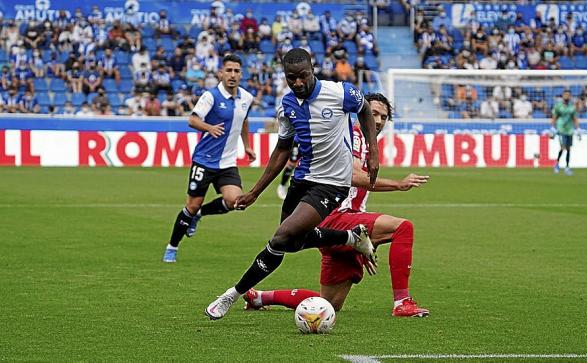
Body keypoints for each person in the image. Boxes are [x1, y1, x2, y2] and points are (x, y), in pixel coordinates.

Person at [205, 48, 379, 320]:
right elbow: (282, 150)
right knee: (293, 243)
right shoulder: (286, 106)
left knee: (281, 238)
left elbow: (365, 110)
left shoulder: (340, 92)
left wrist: (373, 152)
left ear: (312, 70)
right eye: (291, 78)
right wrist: (255, 192)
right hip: (302, 179)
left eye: (302, 76)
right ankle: (351, 237)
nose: (297, 83)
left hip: (332, 183)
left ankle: (233, 294)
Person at [244, 93, 430, 317]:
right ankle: (402, 302)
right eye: (374, 114)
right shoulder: (354, 136)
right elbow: (351, 175)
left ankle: (259, 297)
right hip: (336, 216)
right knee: (402, 228)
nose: (379, 121)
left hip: (339, 224)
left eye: (384, 116)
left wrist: (367, 243)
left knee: (327, 304)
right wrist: (398, 184)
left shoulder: (365, 142)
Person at [162, 54, 256, 263]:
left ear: (241, 74)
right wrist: (209, 128)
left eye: (236, 71)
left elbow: (244, 120)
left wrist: (247, 145)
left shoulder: (246, 98)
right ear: (221, 73)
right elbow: (192, 120)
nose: (232, 75)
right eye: (228, 70)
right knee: (191, 205)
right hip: (204, 160)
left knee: (235, 201)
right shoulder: (211, 96)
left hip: (227, 163)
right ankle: (172, 247)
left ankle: (200, 214)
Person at [551, 90, 579, 175]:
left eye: (568, 95)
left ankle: (567, 167)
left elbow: (575, 118)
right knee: (563, 147)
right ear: (563, 96)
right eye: (565, 95)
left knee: (569, 149)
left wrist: (578, 129)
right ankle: (557, 164)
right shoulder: (558, 106)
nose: (567, 96)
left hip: (569, 130)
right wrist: (553, 128)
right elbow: (554, 117)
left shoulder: (572, 107)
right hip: (561, 129)